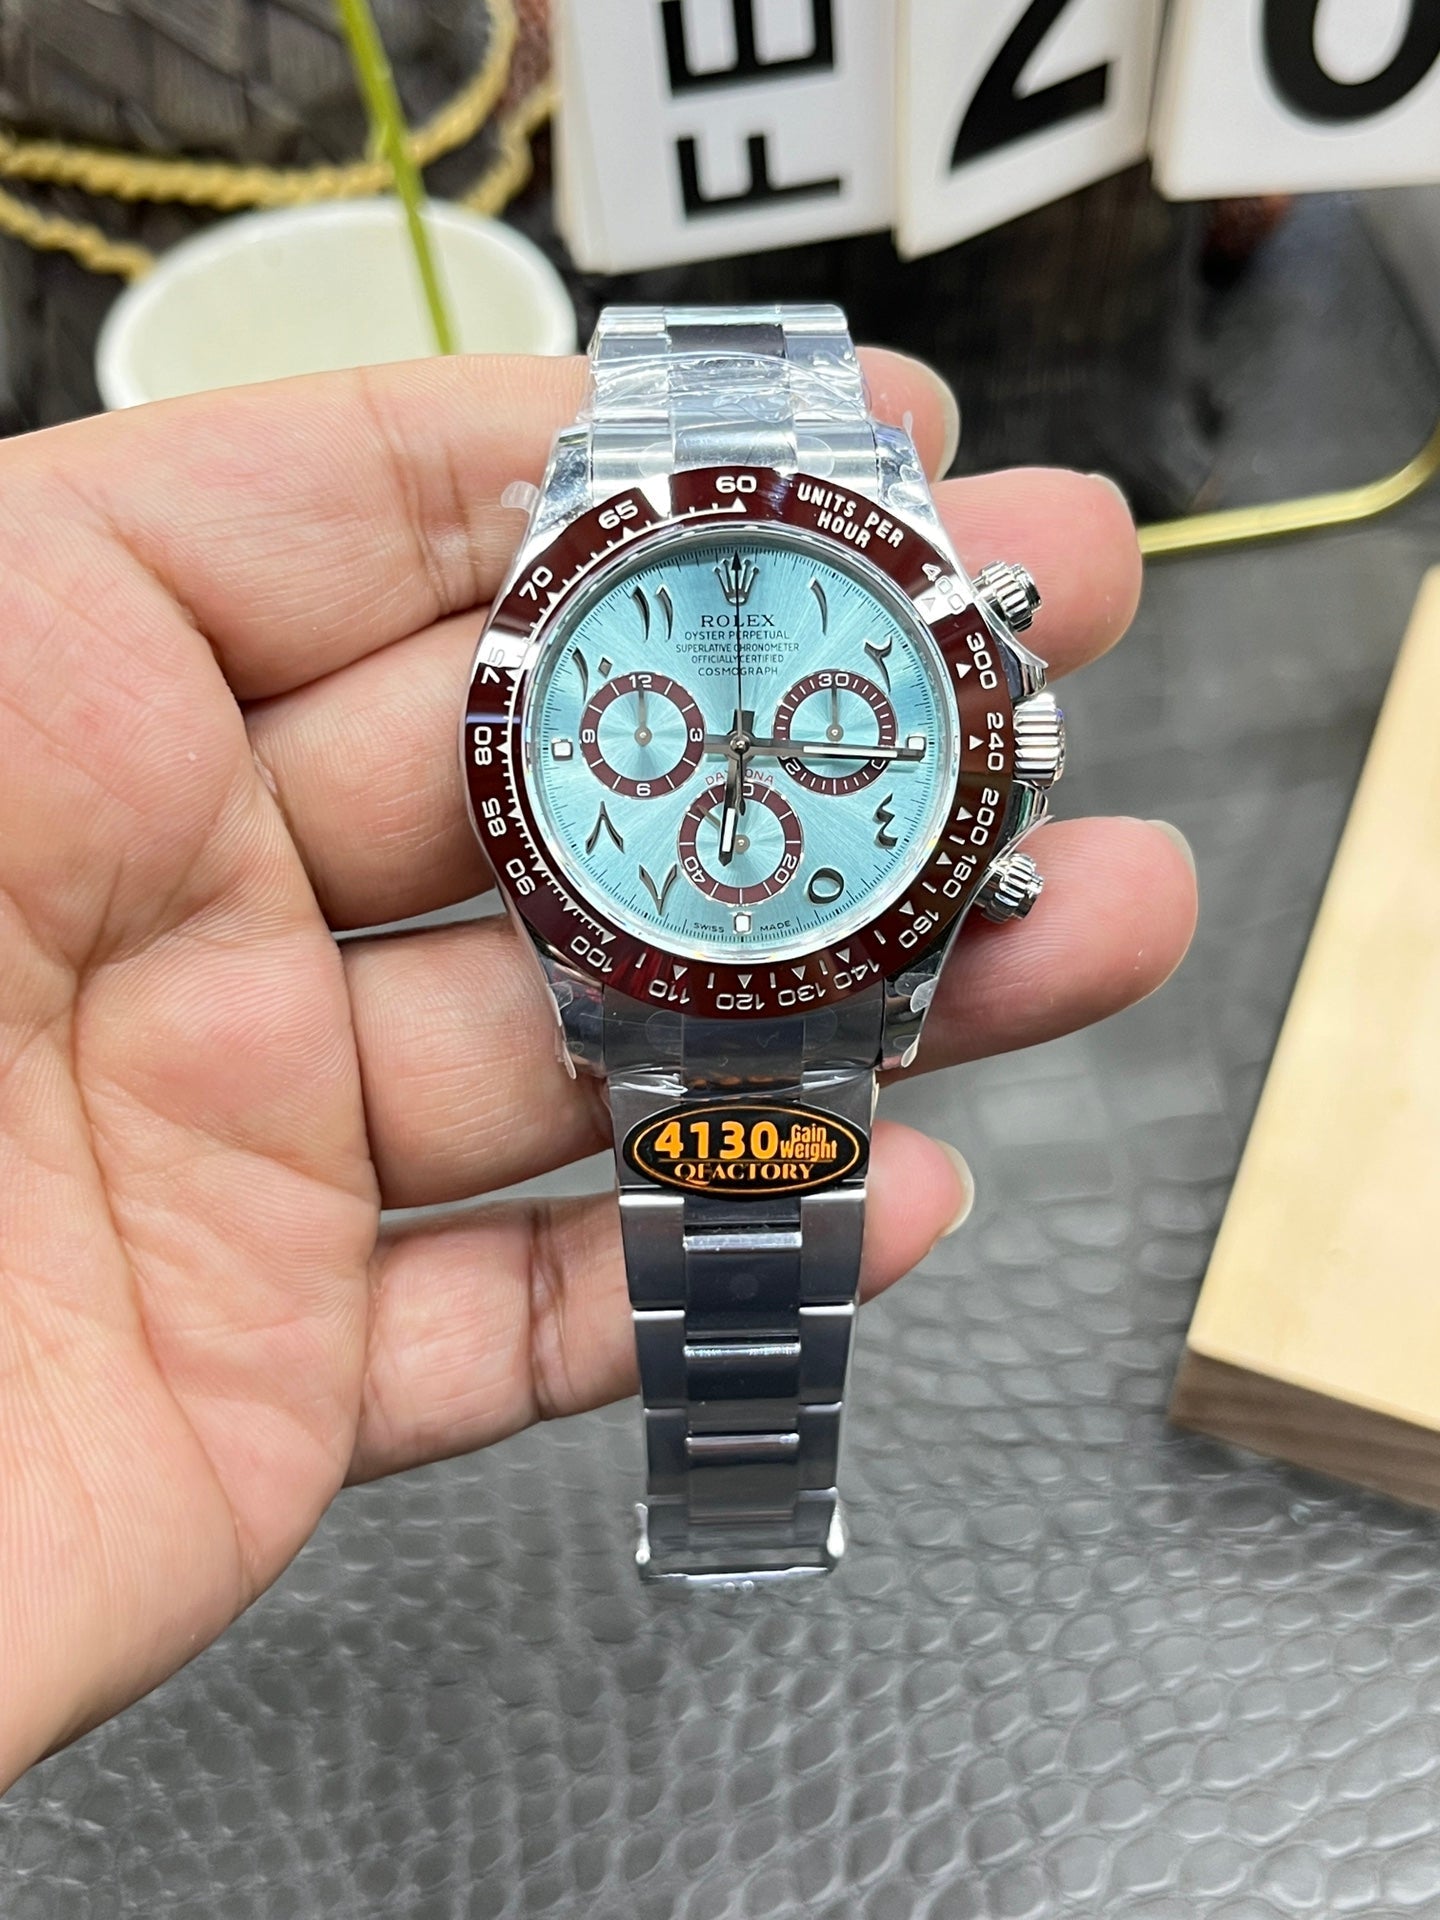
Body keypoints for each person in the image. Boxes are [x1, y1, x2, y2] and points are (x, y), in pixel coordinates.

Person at [0, 349, 1197, 1790]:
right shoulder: (558, 717)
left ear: (999, 743)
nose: (741, 748)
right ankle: (743, 1518)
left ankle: (746, 1518)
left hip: (796, 984)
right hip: (640, 985)